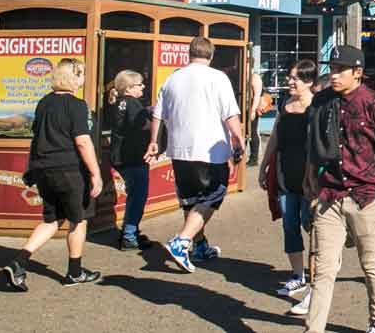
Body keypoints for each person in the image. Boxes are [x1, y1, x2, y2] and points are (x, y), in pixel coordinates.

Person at [303, 45, 375, 333]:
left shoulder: (374, 104)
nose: (334, 74)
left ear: (358, 73)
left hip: (363, 197)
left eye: (341, 69)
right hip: (329, 196)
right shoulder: (322, 101)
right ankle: (313, 329)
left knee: (371, 264)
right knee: (323, 270)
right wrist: (310, 177)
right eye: (332, 68)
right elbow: (314, 145)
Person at [0, 58, 102, 291]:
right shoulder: (77, 105)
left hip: (44, 169)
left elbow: (36, 137)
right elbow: (83, 142)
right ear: (73, 77)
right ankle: (74, 273)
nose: (83, 78)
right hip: (69, 170)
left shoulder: (43, 103)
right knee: (78, 219)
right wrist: (96, 173)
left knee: (52, 219)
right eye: (82, 74)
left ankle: (18, 262)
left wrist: (32, 168)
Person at [144, 36, 244, 272]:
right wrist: (239, 139)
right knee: (213, 195)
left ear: (189, 54)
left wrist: (153, 142)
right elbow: (230, 114)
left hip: (179, 150)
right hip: (210, 151)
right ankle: (182, 240)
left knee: (190, 200)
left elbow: (158, 114)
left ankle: (199, 246)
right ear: (211, 55)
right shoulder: (218, 78)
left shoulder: (173, 78)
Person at [259, 59, 317, 300]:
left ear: (309, 82)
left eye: (295, 78)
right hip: (284, 173)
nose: (289, 81)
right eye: (290, 77)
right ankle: (298, 276)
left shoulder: (316, 107)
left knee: (310, 224)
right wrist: (264, 165)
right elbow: (275, 136)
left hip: (308, 177)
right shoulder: (285, 103)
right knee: (289, 225)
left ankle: (317, 279)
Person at [107, 69, 153, 250]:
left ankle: (131, 231)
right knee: (138, 196)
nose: (143, 87)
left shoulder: (121, 103)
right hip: (133, 157)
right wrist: (153, 117)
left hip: (121, 156)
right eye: (139, 84)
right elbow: (141, 125)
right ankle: (129, 236)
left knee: (134, 194)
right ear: (128, 88)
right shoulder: (132, 104)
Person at [248, 73, 272, 167]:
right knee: (248, 132)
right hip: (247, 108)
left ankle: (254, 158)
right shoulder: (246, 75)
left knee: (252, 132)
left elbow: (257, 95)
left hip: (252, 108)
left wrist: (253, 110)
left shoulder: (255, 77)